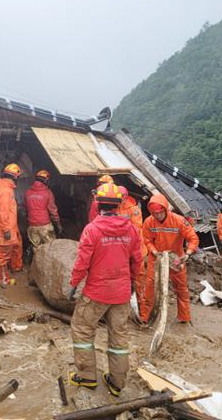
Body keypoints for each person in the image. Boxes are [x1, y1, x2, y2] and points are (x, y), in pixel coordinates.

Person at [68, 183, 143, 397]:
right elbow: (137, 261)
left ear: (98, 204)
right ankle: (117, 383)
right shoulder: (130, 229)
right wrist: (133, 283)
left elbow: (82, 262)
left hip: (96, 293)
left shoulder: (92, 229)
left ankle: (87, 377)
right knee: (119, 336)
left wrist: (73, 285)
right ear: (119, 205)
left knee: (82, 330)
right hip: (121, 294)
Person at [141, 194, 199, 324]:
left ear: (165, 209)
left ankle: (184, 317)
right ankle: (146, 317)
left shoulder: (179, 220)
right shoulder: (148, 222)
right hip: (156, 258)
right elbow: (147, 240)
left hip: (176, 258)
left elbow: (193, 238)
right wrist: (154, 252)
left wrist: (188, 254)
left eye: (160, 212)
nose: (158, 216)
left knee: (181, 288)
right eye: (155, 213)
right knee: (150, 288)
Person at [0, 163, 23, 285]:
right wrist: (7, 231)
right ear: (15, 177)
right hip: (5, 230)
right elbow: (3, 213)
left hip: (5, 228)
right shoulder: (5, 191)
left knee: (3, 255)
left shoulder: (3, 188)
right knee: (3, 256)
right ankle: (2, 279)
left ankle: (4, 277)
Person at [24, 170, 61, 255]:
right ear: (46, 181)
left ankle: (37, 267)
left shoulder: (27, 192)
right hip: (45, 225)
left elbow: (26, 209)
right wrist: (58, 224)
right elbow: (53, 211)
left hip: (32, 225)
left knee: (36, 250)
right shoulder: (48, 193)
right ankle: (49, 267)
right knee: (50, 248)